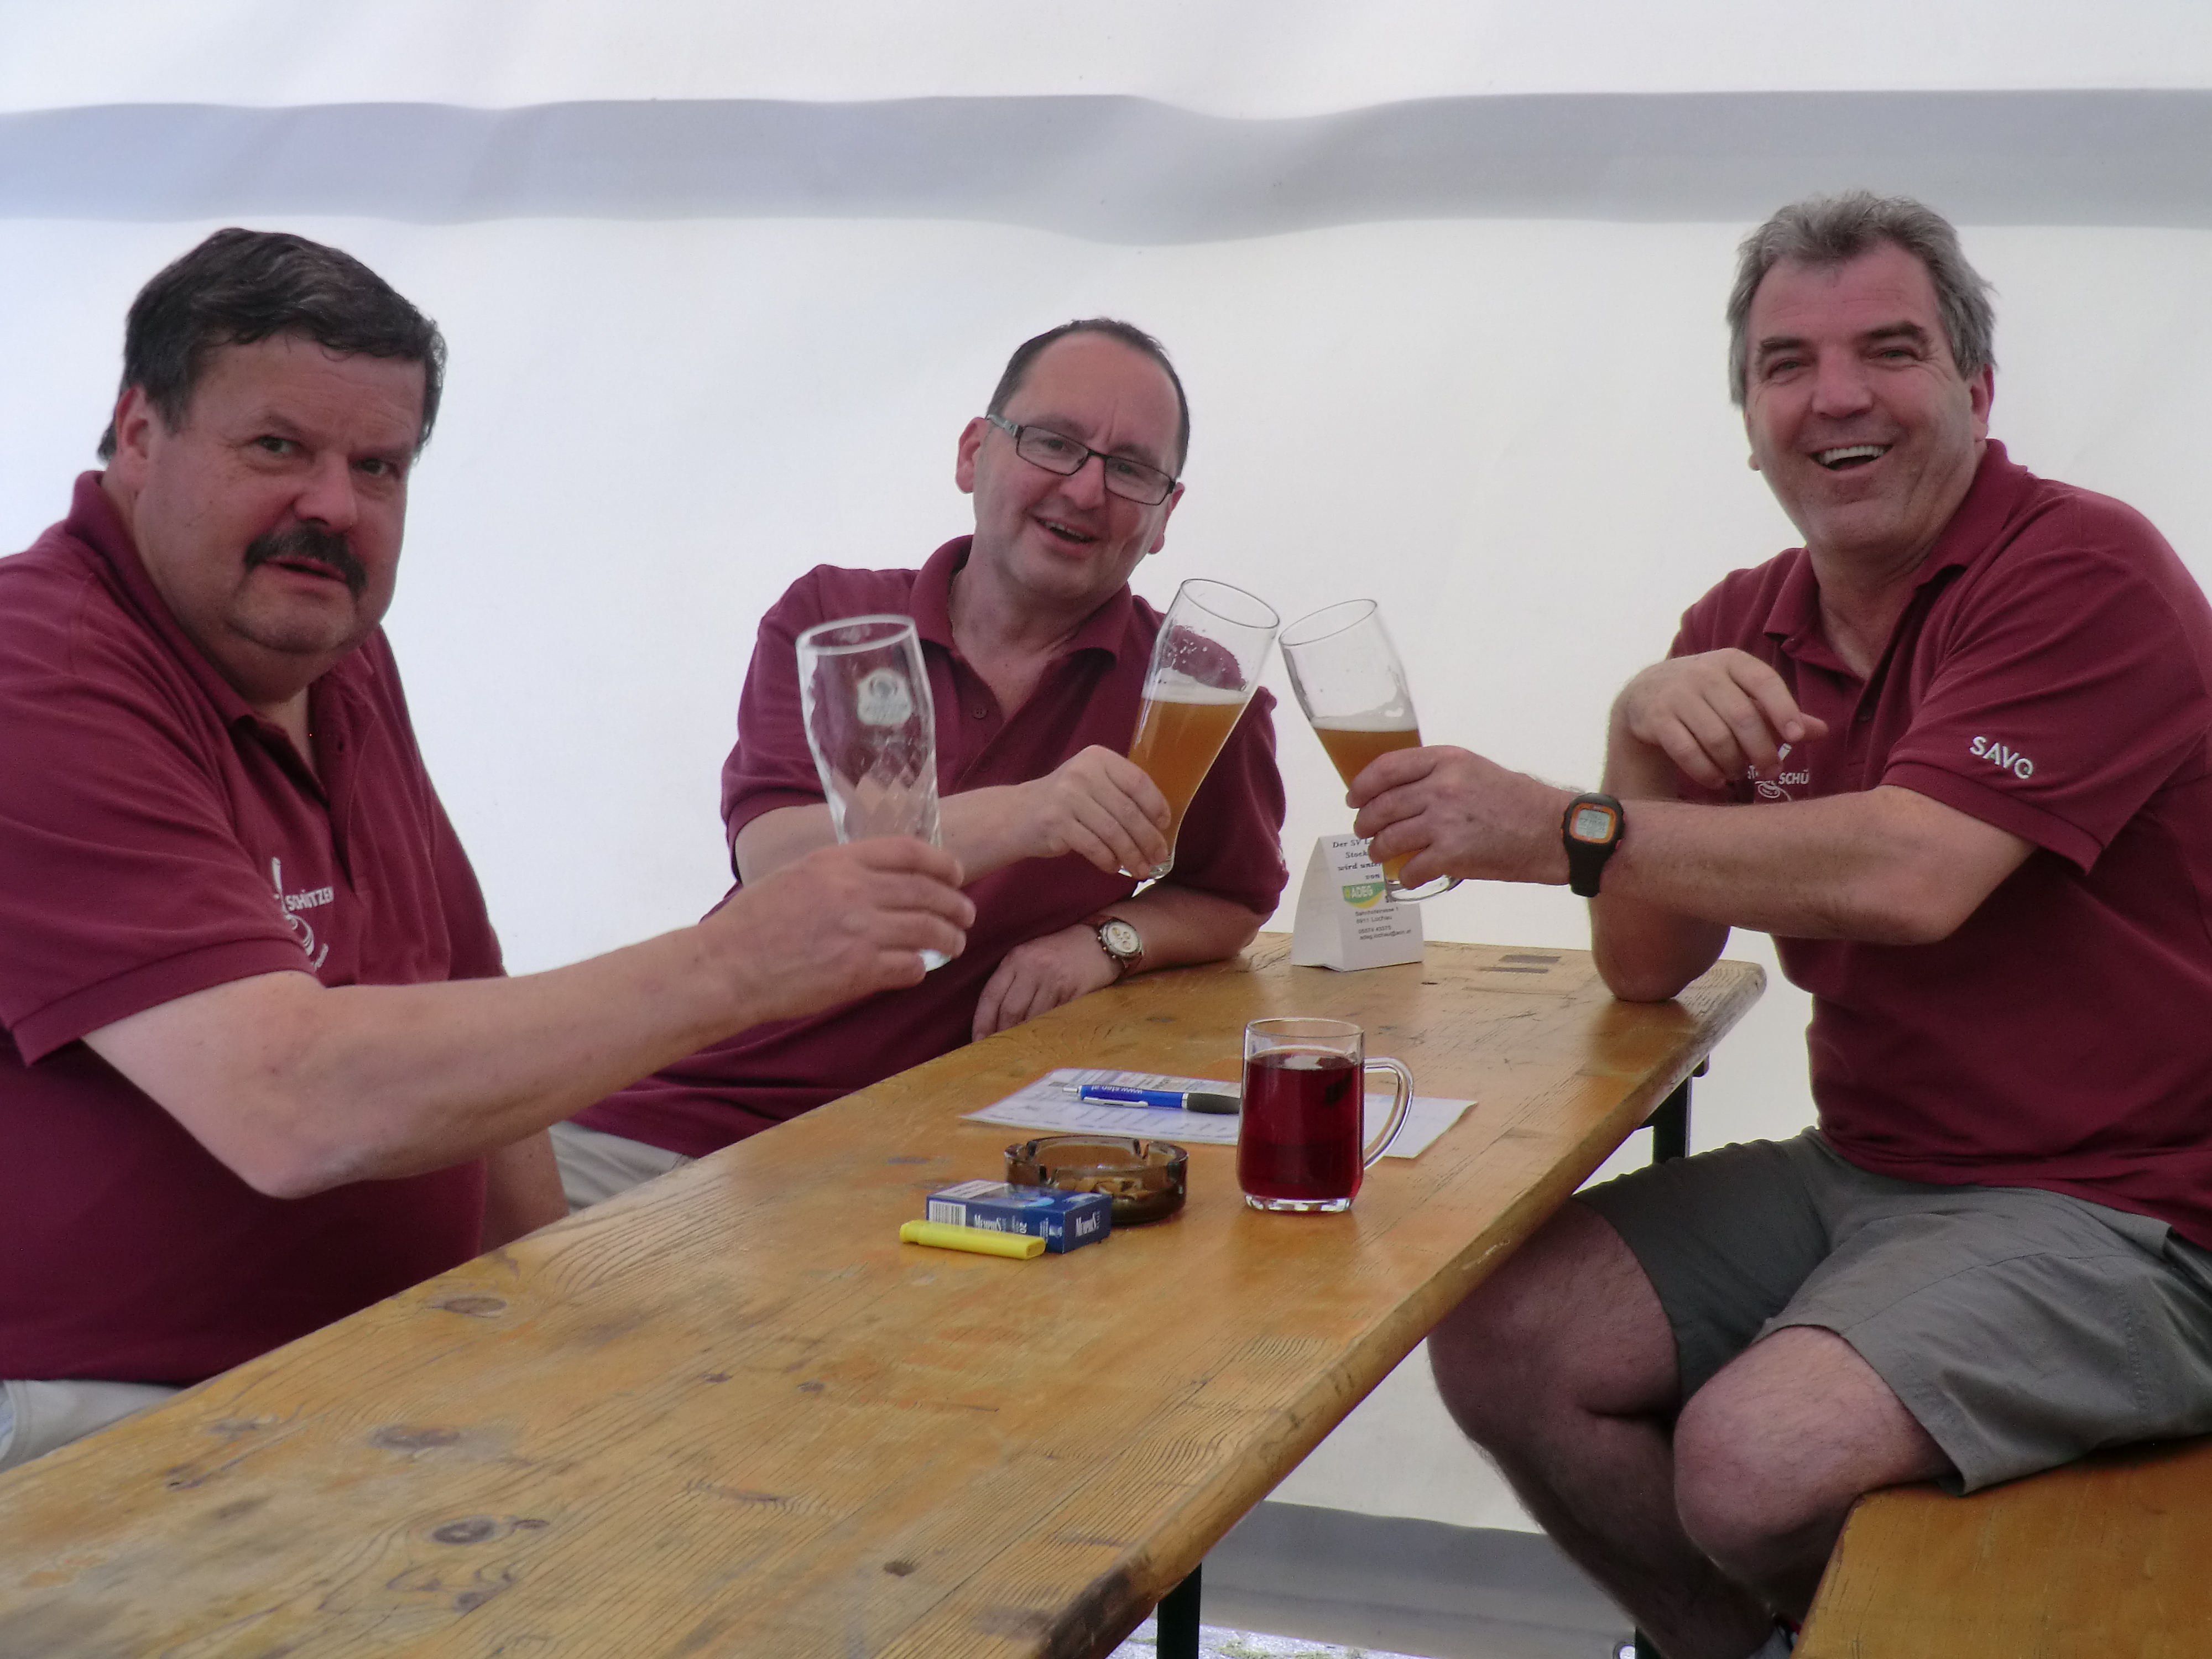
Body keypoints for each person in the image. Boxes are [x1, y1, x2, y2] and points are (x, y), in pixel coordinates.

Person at [1348, 192, 2212, 1659]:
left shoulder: (2083, 569)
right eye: (1786, 365)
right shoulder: (1739, 625)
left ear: (1976, 387)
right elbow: (1645, 968)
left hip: (2133, 1211)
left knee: (1750, 1462)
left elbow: (1912, 875)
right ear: (1748, 424)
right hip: (1867, 1166)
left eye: (1889, 350)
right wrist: (1633, 737)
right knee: (1498, 1334)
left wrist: (1565, 825)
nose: (1836, 397)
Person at [0, 229, 973, 1472]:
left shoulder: (333, 651)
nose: (333, 507)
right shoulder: (42, 669)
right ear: (140, 434)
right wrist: (739, 964)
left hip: (367, 1375)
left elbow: (465, 986)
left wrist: (550, 1317)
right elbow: (283, 1101)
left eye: (379, 466)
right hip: (103, 1421)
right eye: (278, 448)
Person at [556, 320, 1287, 1204]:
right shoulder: (835, 617)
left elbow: (1232, 895)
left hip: (906, 1160)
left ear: (1166, 514)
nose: (1086, 488)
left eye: (1131, 468)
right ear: (974, 453)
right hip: (653, 1117)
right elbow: (776, 860)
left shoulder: (1194, 688)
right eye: (1054, 442)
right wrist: (1030, 813)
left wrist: (1106, 943)